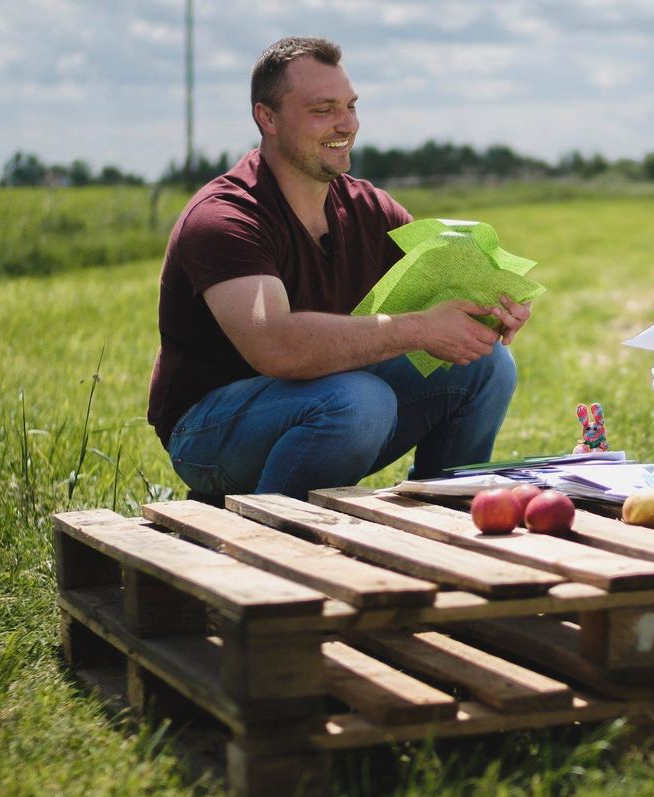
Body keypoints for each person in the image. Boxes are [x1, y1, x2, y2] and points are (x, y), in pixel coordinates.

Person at [147, 37, 530, 501]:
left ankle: (444, 514)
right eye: (322, 109)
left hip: (325, 399)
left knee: (487, 365)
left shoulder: (367, 207)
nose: (346, 123)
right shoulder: (225, 216)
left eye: (350, 106)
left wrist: (493, 306)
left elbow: (447, 283)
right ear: (266, 118)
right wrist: (418, 330)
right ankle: (278, 539)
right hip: (211, 432)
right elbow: (277, 348)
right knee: (359, 400)